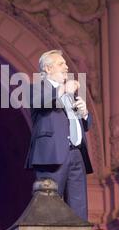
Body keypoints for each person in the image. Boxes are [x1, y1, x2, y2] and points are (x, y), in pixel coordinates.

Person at [25, 49, 93, 220]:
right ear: (48, 69)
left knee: (79, 210)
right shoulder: (36, 89)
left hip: (77, 155)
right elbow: (41, 102)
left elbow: (83, 125)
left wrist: (85, 114)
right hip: (52, 156)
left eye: (66, 63)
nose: (66, 66)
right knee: (50, 209)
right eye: (61, 63)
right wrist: (63, 89)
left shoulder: (70, 94)